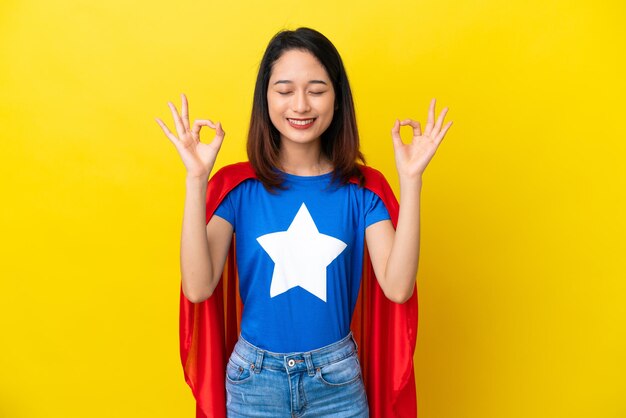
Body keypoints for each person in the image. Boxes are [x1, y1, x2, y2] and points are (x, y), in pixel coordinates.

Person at [156, 27, 452, 418]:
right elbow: (197, 288)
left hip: (337, 383)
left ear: (337, 98)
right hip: (252, 383)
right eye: (284, 90)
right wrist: (196, 180)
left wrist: (411, 181)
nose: (300, 105)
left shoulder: (362, 191)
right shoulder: (236, 188)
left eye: (316, 89)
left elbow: (398, 289)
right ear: (266, 98)